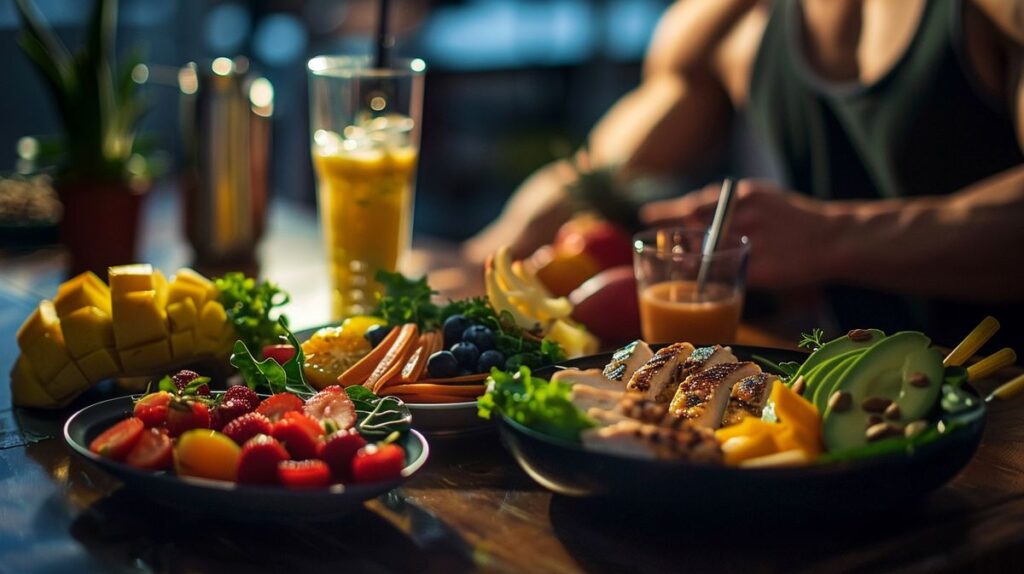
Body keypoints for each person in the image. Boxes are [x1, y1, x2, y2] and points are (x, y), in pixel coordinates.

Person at [465, 0, 1024, 347]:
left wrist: (831, 238)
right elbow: (593, 171)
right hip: (848, 390)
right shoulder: (727, 23)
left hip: (1004, 406)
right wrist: (475, 264)